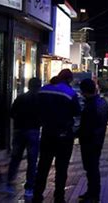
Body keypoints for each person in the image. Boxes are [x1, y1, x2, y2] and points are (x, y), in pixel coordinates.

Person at [33, 69, 81, 203]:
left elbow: (36, 109)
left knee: (43, 165)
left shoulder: (44, 90)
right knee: (62, 168)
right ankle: (59, 197)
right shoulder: (70, 93)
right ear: (69, 79)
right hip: (64, 135)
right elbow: (77, 112)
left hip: (47, 133)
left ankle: (37, 195)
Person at [6, 78, 42, 198]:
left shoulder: (21, 98)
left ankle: (9, 184)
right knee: (32, 160)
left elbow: (11, 113)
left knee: (15, 158)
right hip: (33, 130)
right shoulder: (39, 99)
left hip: (19, 130)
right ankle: (29, 187)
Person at [78, 79, 108, 203]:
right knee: (91, 168)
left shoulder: (92, 105)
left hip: (91, 141)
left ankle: (94, 194)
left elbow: (89, 125)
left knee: (92, 168)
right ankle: (91, 192)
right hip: (95, 140)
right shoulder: (100, 102)